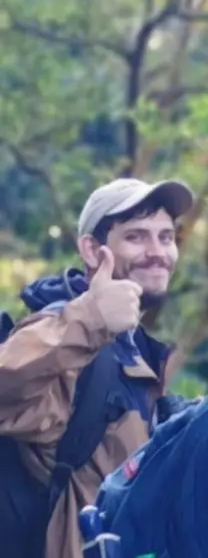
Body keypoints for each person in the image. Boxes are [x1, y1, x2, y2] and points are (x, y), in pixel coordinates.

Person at [0, 177, 194, 558]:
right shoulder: (65, 332)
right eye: (136, 237)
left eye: (166, 237)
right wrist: (91, 317)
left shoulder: (132, 346)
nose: (158, 252)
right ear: (91, 249)